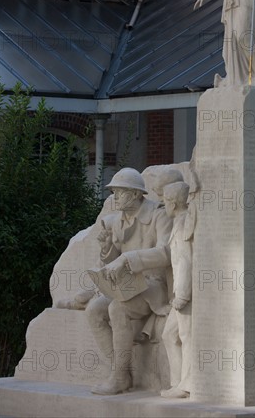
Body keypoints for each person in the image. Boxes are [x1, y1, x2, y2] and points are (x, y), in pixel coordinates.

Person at [85, 168, 173, 395]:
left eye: (120, 192)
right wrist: (107, 248)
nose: (115, 198)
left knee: (117, 307)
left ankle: (118, 377)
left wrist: (127, 258)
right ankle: (121, 371)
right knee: (94, 310)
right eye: (113, 193)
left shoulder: (158, 215)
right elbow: (112, 261)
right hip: (128, 286)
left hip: (154, 286)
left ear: (135, 194)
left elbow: (166, 253)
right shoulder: (117, 222)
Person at [160, 182, 193, 399]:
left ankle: (187, 385)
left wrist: (181, 295)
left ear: (172, 203)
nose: (163, 205)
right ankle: (177, 383)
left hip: (185, 295)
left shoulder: (183, 225)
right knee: (169, 334)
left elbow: (186, 262)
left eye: (164, 201)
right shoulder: (179, 222)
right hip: (180, 294)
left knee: (186, 336)